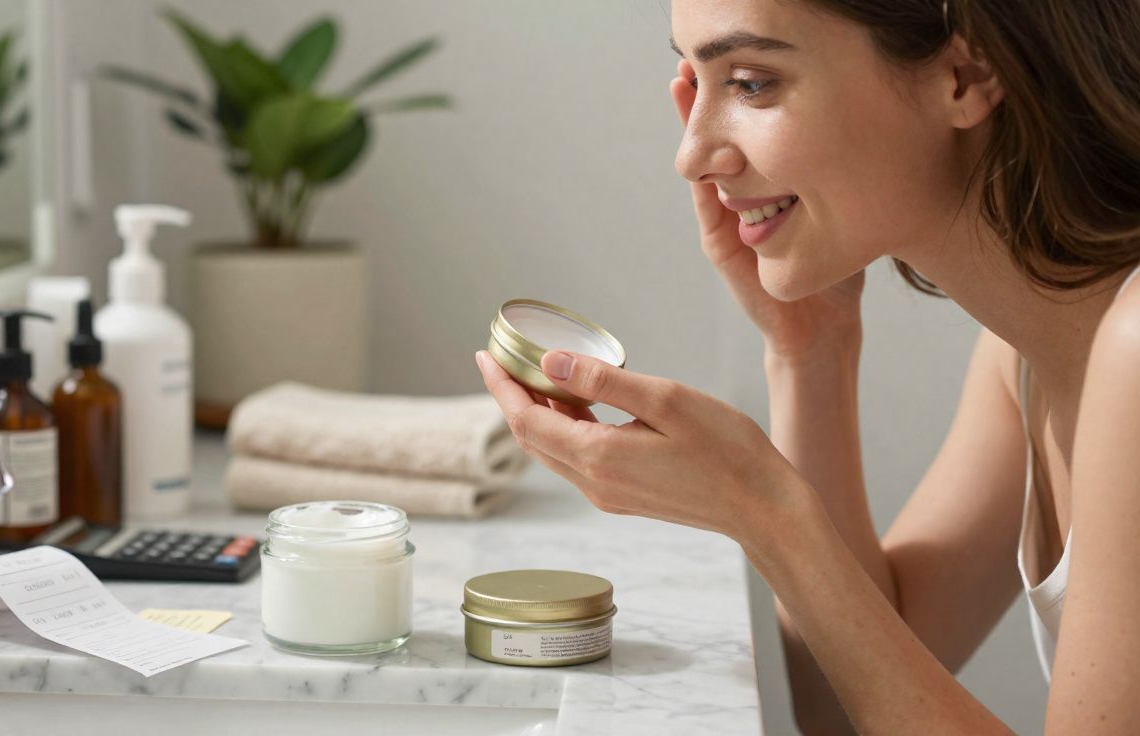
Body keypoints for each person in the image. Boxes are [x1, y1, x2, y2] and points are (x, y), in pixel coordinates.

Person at [475, 0, 1140, 732]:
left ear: (966, 73)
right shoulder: (1024, 361)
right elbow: (840, 709)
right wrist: (809, 349)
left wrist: (767, 513)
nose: (692, 155)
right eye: (696, 82)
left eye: (751, 83)